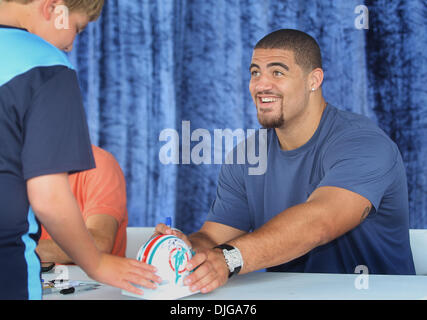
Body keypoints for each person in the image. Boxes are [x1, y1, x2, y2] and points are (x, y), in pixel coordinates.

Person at [155, 29, 415, 294]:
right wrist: (185, 249)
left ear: (313, 80)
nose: (261, 85)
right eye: (255, 72)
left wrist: (229, 259)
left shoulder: (363, 143)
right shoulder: (248, 155)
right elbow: (213, 238)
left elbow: (320, 223)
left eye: (277, 72)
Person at [0, 0, 160, 299]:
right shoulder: (43, 63)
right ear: (52, 8)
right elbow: (48, 196)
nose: (71, 45)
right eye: (77, 28)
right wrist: (96, 263)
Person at [37, 145, 128, 263]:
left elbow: (98, 244)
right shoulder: (14, 167)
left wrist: (19, 250)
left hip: (87, 279)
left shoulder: (97, 163)